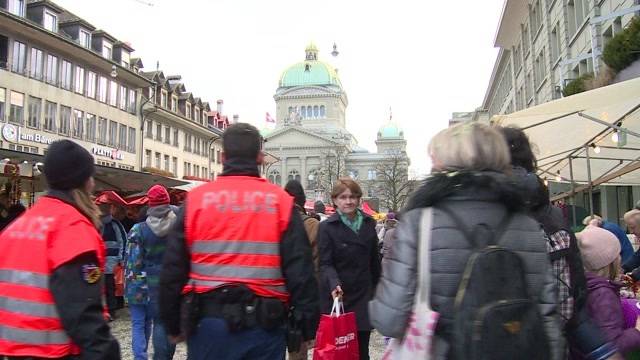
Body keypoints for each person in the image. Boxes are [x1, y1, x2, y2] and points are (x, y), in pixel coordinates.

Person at [369, 123, 562, 359]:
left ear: (450, 160)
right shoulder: (529, 226)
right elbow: (548, 317)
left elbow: (390, 321)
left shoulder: (421, 222)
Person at [159, 123, 319, 360]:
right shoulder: (281, 203)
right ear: (260, 158)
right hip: (265, 326)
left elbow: (173, 269)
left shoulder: (196, 201)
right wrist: (307, 324)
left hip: (208, 325)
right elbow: (301, 271)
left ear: (223, 157)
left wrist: (172, 323)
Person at [0, 139, 120, 358]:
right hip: (56, 352)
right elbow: (84, 315)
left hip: (12, 350)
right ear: (83, 181)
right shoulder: (72, 229)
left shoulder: (16, 228)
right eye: (91, 177)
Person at [318, 178, 381, 360]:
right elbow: (325, 263)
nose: (348, 201)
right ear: (335, 200)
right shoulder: (327, 227)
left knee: (361, 351)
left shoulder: (369, 224)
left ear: (359, 199)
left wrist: (378, 289)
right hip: (339, 295)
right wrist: (333, 283)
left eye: (353, 197)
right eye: (343, 197)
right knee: (339, 349)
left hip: (363, 294)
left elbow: (374, 260)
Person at [125, 185, 176, 360]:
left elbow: (132, 262)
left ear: (150, 204)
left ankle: (140, 357)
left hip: (139, 283)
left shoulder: (138, 230)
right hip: (165, 285)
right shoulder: (177, 226)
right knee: (162, 323)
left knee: (139, 323)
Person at [575, 225, 640, 358]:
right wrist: (637, 331)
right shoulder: (602, 294)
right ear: (610, 260)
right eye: (618, 254)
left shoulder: (584, 285)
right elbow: (610, 347)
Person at [284, 179, 320, 360]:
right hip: (301, 297)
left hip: (275, 296)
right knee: (297, 351)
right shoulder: (312, 225)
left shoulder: (276, 219)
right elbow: (316, 266)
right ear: (303, 201)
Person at [99, 202, 127, 320]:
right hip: (104, 260)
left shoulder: (114, 224)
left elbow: (123, 241)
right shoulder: (98, 224)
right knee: (108, 286)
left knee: (109, 286)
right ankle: (109, 310)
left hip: (110, 260)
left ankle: (111, 309)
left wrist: (121, 258)